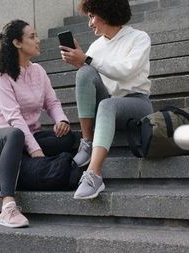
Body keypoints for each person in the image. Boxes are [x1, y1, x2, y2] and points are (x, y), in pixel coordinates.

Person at [0, 20, 75, 228]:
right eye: (32, 37)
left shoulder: (38, 71)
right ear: (17, 43)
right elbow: (13, 118)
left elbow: (52, 102)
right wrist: (36, 152)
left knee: (68, 138)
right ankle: (7, 206)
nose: (38, 40)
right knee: (15, 134)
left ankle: (14, 166)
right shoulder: (0, 75)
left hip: (30, 134)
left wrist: (61, 120)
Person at [60, 0, 153, 199]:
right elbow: (94, 73)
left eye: (92, 16)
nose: (90, 23)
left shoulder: (138, 38)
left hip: (137, 103)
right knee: (84, 73)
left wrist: (87, 59)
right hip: (109, 103)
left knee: (106, 103)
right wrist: (82, 62)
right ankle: (87, 141)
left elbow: (126, 72)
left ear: (107, 13)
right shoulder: (96, 46)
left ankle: (94, 174)